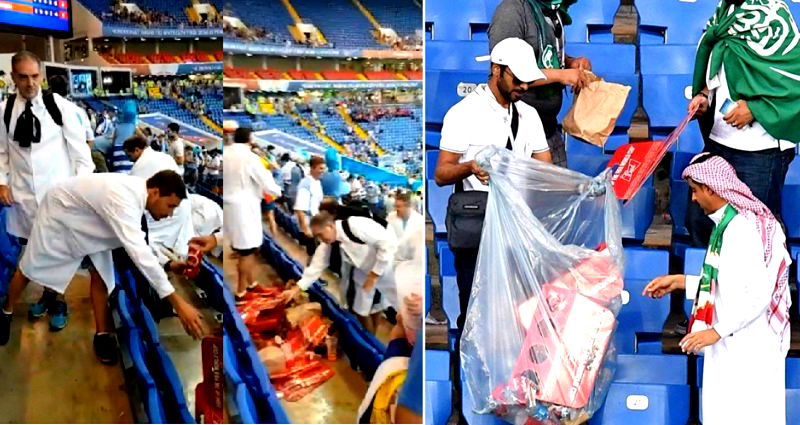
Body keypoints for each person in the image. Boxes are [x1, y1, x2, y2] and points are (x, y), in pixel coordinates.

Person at [434, 37, 552, 423]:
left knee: (521, 316)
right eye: (517, 79)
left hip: (518, 229)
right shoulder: (462, 113)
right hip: (478, 230)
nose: (523, 87)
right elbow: (441, 173)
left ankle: (512, 397)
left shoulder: (529, 116)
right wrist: (471, 167)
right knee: (473, 317)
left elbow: (545, 170)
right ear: (497, 70)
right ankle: (469, 403)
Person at [643, 153, 790, 425]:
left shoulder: (743, 230)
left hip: (749, 346)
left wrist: (715, 331)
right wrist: (681, 281)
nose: (694, 199)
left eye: (696, 191)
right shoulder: (728, 225)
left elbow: (758, 293)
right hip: (731, 341)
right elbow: (729, 284)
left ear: (712, 187)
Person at [0, 171, 208, 362]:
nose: (170, 214)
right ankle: (5, 312)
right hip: (59, 215)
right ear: (155, 192)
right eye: (170, 206)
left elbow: (140, 243)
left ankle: (102, 335)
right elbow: (139, 252)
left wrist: (169, 264)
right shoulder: (123, 200)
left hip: (91, 220)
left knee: (101, 274)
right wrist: (177, 302)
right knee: (30, 267)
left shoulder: (137, 200)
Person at [685, 0, 800, 248]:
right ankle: (707, 285)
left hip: (760, 151)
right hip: (718, 142)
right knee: (703, 224)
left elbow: (793, 81)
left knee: (757, 235)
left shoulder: (773, 17)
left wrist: (755, 109)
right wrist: (705, 95)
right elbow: (721, 66)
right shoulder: (725, 11)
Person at [0, 51, 95, 332]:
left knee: (58, 249)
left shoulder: (60, 107)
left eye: (34, 76)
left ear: (40, 76)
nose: (30, 83)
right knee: (34, 248)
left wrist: (79, 192)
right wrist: (2, 182)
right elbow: (2, 153)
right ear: (14, 77)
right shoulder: (4, 111)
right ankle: (46, 293)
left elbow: (82, 155)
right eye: (23, 77)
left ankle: (58, 299)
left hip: (59, 194)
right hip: (24, 196)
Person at [488, 0, 593, 167]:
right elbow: (508, 72)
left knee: (557, 190)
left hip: (549, 129)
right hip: (516, 135)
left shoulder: (550, 10)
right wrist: (561, 75)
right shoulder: (511, 11)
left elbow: (543, 55)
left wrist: (569, 62)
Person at [287, 212, 398, 334]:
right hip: (362, 272)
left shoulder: (356, 225)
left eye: (320, 234)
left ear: (330, 226)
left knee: (382, 306)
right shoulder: (330, 241)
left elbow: (387, 245)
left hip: (384, 268)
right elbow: (317, 265)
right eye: (317, 236)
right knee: (361, 309)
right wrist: (298, 287)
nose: (320, 239)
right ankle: (369, 336)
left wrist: (375, 274)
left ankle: (372, 337)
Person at [223, 127, 282, 299]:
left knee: (244, 251)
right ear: (249, 139)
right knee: (247, 252)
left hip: (231, 206)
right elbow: (267, 183)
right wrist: (278, 191)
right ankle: (241, 292)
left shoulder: (226, 152)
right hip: (244, 208)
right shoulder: (250, 157)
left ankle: (251, 283)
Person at [387, 191, 424, 263]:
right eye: (395, 206)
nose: (396, 209)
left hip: (412, 261)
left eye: (399, 206)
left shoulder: (419, 220)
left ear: (408, 206)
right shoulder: (390, 217)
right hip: (394, 259)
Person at [294, 155, 326, 238]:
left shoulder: (317, 182)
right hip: (308, 226)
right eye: (320, 168)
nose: (323, 171)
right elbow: (299, 209)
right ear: (312, 168)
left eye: (323, 168)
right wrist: (306, 229)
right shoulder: (305, 184)